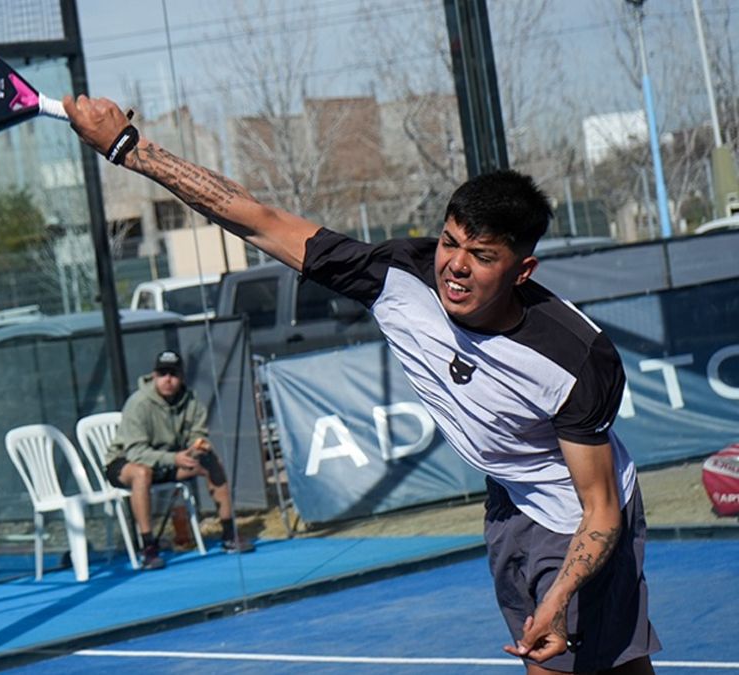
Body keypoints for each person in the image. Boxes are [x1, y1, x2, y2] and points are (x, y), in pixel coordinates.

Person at [64, 96, 659, 674]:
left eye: (480, 255)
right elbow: (257, 218)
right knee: (622, 665)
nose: (454, 265)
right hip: (509, 499)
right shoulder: (397, 277)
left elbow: (601, 508)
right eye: (450, 242)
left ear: (522, 269)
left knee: (569, 664)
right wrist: (129, 149)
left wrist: (558, 596)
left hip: (577, 515)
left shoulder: (576, 359)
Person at [105, 349, 253, 571]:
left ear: (182, 377)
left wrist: (197, 447)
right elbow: (135, 452)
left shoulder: (191, 401)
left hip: (168, 462)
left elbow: (197, 433)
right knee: (142, 472)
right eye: (163, 373)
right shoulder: (139, 403)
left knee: (211, 461)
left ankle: (229, 534)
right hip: (125, 464)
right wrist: (174, 458)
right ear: (154, 375)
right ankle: (148, 547)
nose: (168, 380)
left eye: (173, 374)